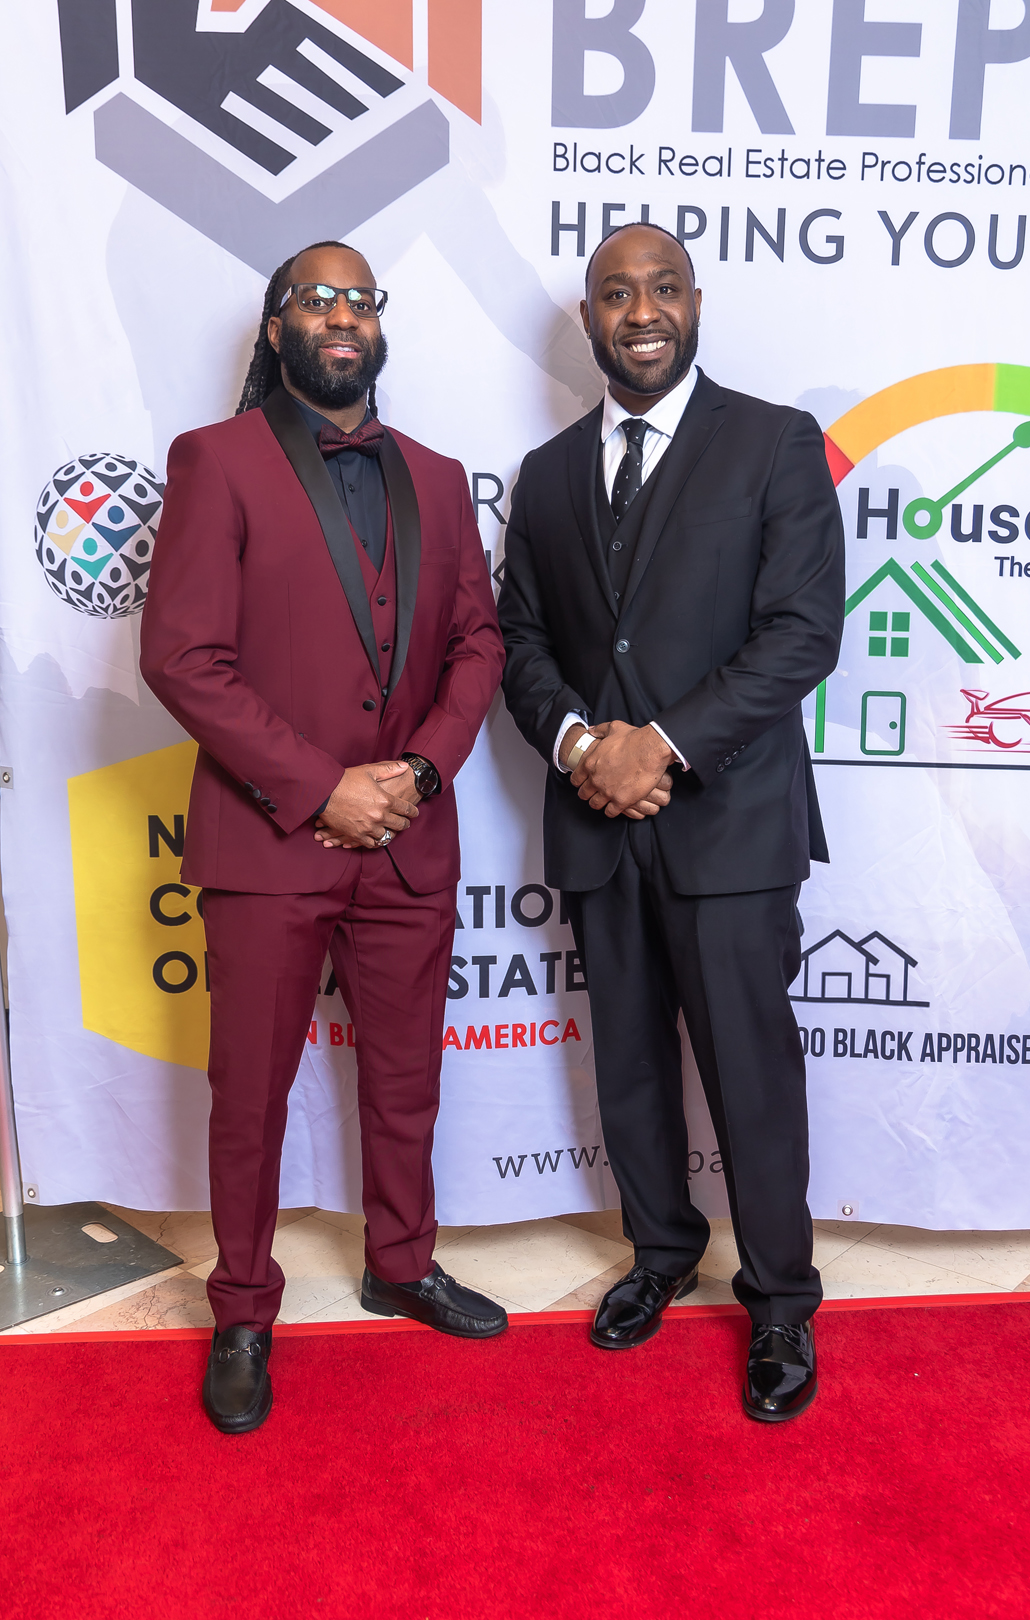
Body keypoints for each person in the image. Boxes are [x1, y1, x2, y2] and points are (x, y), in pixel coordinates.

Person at [141, 240, 507, 1434]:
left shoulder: (439, 477)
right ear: (277, 325)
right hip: (269, 844)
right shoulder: (216, 460)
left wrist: (418, 771)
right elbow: (183, 656)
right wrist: (319, 790)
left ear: (378, 324)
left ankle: (402, 1263)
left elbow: (478, 644)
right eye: (317, 297)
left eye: (360, 298)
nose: (341, 315)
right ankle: (244, 1309)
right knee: (250, 1095)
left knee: (406, 1081)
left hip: (409, 836)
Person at [498, 223, 845, 1422]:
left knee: (751, 1073)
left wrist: (664, 743)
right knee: (631, 1064)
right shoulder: (547, 473)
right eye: (615, 294)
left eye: (661, 289)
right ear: (589, 319)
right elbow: (523, 643)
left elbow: (801, 632)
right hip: (600, 820)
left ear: (695, 302)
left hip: (731, 822)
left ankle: (782, 1300)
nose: (640, 312)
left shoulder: (774, 441)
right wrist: (583, 746)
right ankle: (659, 1252)